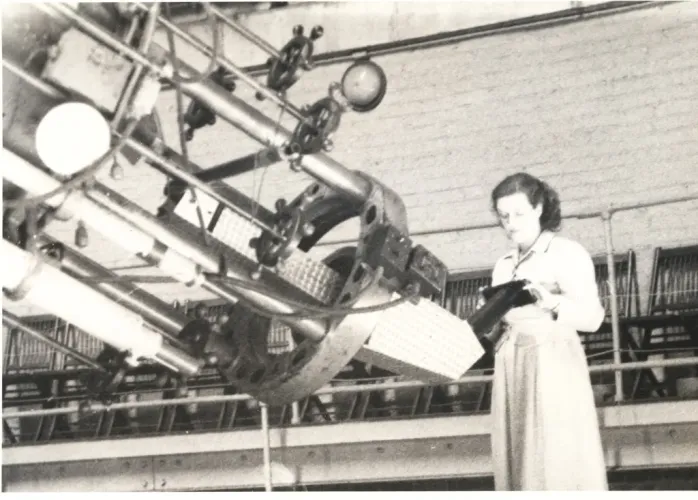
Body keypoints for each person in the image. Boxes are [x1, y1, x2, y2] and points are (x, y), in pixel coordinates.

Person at [486, 172, 608, 491]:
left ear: (538, 208)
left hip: (553, 359)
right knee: (516, 453)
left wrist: (551, 302)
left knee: (554, 453)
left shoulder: (567, 253)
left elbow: (593, 319)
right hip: (512, 361)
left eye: (519, 214)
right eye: (504, 216)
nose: (511, 223)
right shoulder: (502, 265)